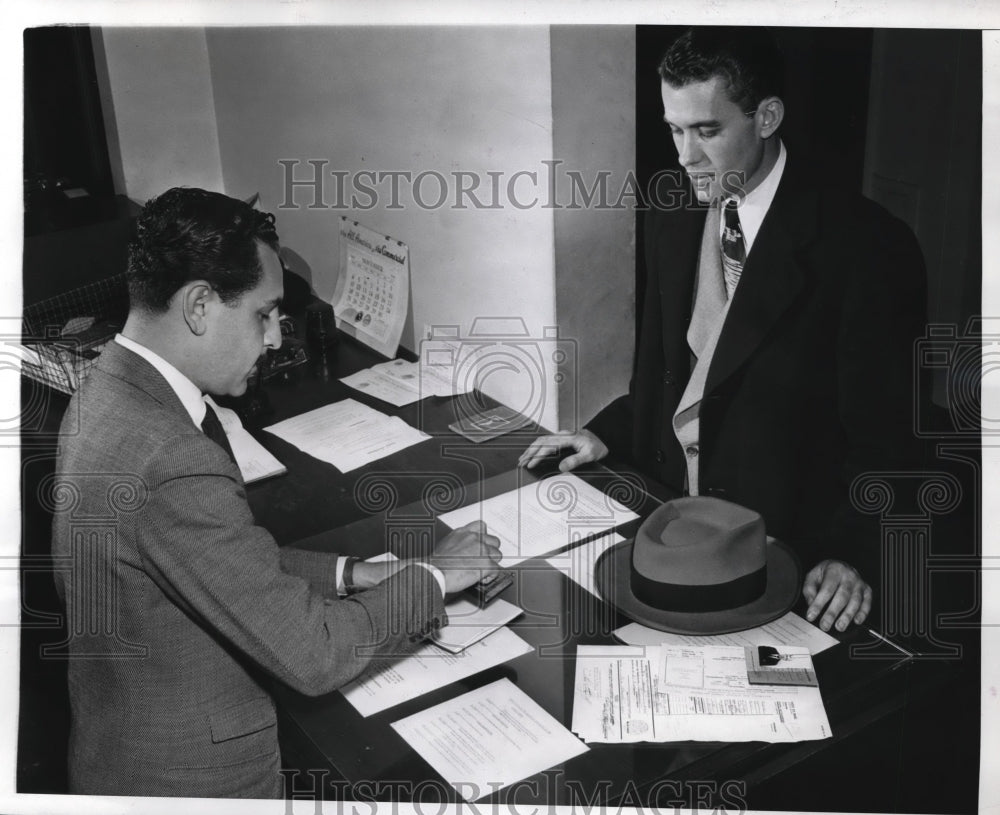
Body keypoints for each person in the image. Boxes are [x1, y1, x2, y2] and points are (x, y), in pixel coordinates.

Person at [51, 187, 502, 798]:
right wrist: (435, 577)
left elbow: (212, 559)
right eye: (263, 314)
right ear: (200, 306)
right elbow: (312, 656)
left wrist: (351, 574)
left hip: (121, 743)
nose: (271, 340)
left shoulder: (106, 389)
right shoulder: (172, 459)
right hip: (191, 783)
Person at [520, 26, 927, 635]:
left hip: (786, 555)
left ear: (766, 117)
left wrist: (852, 552)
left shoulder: (869, 248)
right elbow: (672, 374)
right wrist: (609, 432)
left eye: (707, 131)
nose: (685, 155)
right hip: (675, 538)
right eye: (674, 129)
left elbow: (889, 438)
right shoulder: (672, 217)